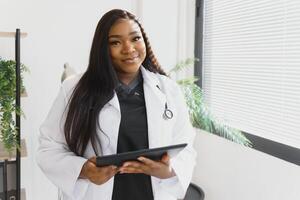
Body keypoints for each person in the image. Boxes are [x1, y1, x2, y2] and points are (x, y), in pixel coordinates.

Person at [36, 9, 196, 200]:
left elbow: (186, 147)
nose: (129, 48)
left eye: (135, 38)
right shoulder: (74, 89)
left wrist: (169, 171)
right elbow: (49, 148)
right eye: (116, 42)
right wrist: (84, 170)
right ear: (102, 48)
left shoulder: (168, 89)